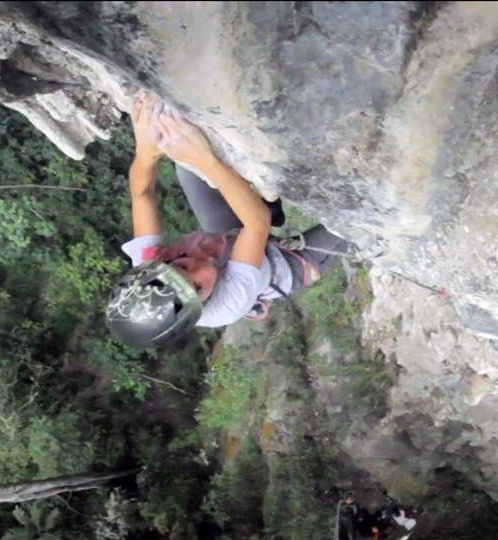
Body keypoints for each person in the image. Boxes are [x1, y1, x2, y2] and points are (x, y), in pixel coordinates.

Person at [105, 92, 351, 348]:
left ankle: (264, 195)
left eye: (182, 265)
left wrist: (146, 152)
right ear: (198, 308)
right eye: (199, 288)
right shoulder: (228, 304)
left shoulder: (152, 270)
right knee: (357, 229)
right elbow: (257, 223)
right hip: (282, 268)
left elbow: (142, 193)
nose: (204, 269)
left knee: (187, 169)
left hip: (229, 235)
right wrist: (202, 156)